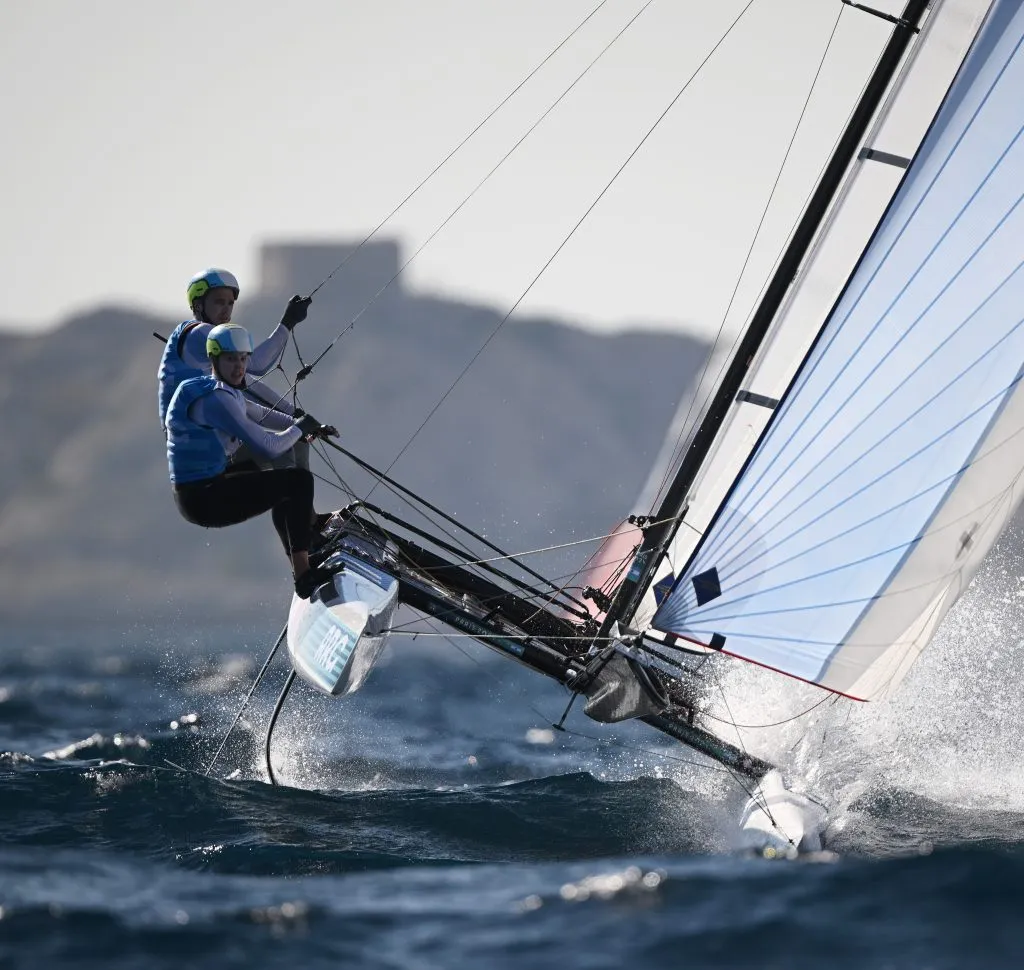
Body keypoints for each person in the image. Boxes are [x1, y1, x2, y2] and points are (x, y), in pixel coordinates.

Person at [164, 323, 339, 599]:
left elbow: (260, 413)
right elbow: (267, 446)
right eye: (231, 359)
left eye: (244, 359)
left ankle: (303, 561)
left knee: (287, 480)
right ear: (214, 360)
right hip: (203, 499)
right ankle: (305, 574)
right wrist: (299, 429)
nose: (239, 367)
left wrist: (306, 425)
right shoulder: (216, 400)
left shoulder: (217, 388)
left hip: (209, 486)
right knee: (297, 482)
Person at [157, 267, 311, 427]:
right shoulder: (199, 332)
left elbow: (250, 387)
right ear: (198, 305)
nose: (226, 309)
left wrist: (294, 415)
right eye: (219, 302)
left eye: (230, 303)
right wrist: (288, 321)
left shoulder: (215, 352)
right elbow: (257, 365)